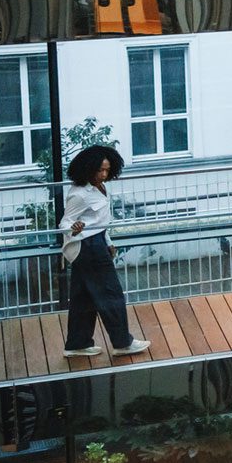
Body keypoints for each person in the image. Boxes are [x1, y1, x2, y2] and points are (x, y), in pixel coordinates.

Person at [59, 146, 150, 358]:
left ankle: (77, 344)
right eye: (100, 170)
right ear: (88, 168)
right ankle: (122, 343)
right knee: (111, 294)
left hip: (97, 241)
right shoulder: (80, 194)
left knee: (83, 297)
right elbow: (65, 222)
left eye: (107, 170)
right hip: (87, 245)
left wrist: (108, 240)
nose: (104, 174)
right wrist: (73, 228)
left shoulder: (101, 187)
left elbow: (100, 221)